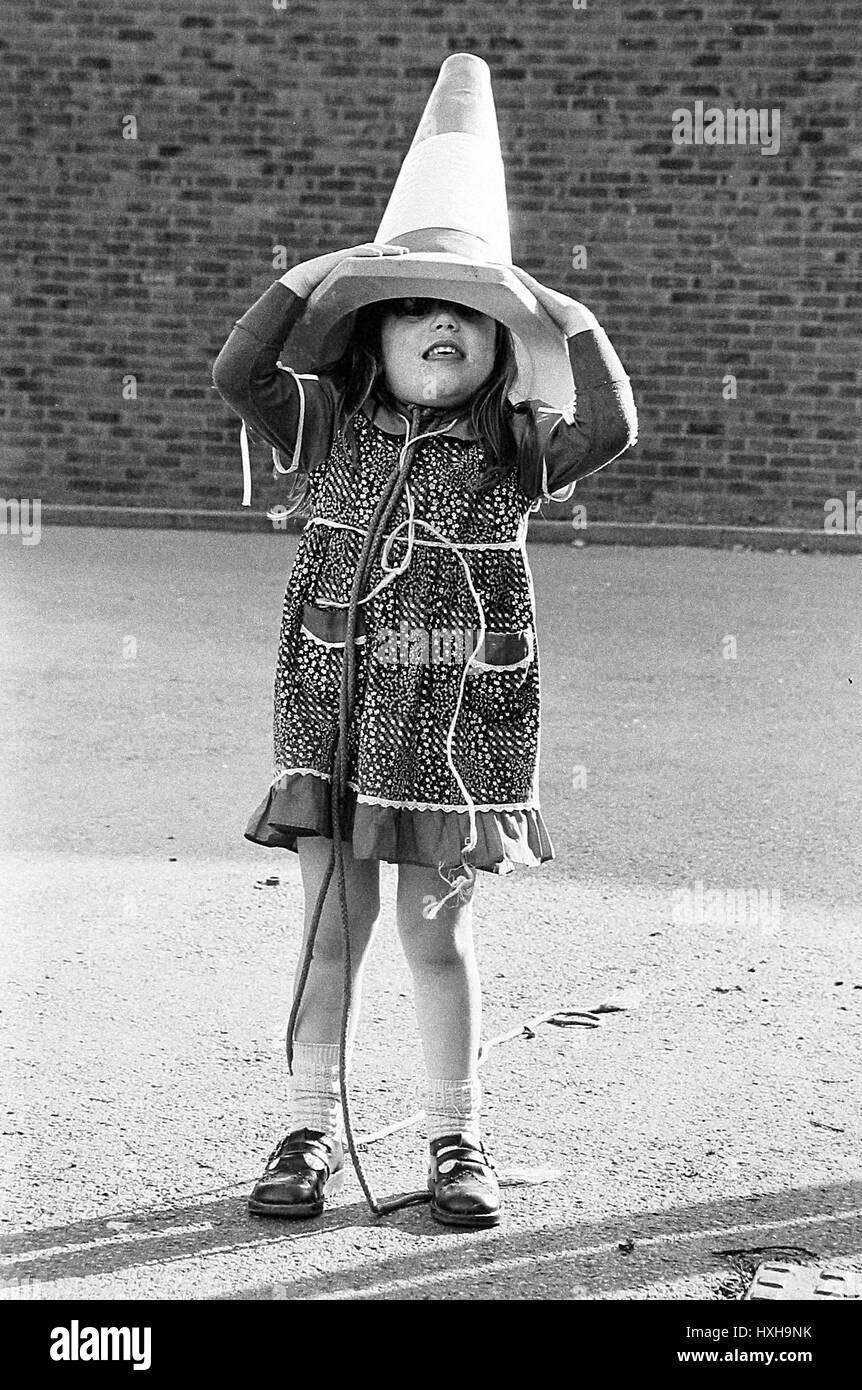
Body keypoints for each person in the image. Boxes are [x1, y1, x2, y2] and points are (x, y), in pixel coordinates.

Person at [211, 241, 637, 1228]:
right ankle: (307, 1129)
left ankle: (458, 1139)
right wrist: (311, 277)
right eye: (409, 309)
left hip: (454, 732)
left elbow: (614, 424)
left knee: (435, 932)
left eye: (469, 314)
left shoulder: (517, 442)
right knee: (332, 931)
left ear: (500, 346)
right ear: (371, 335)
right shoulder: (329, 423)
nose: (441, 325)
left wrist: (558, 310)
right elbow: (238, 373)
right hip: (334, 717)